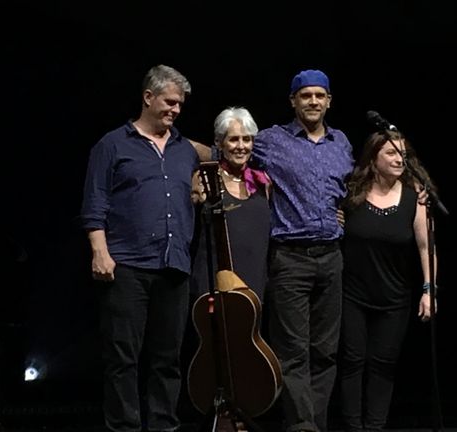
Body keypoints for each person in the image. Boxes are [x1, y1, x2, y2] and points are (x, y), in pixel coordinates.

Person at [79, 64, 199, 432]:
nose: (175, 110)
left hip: (173, 265)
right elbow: (94, 203)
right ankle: (125, 427)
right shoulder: (112, 145)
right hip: (127, 264)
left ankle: (164, 425)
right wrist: (99, 250)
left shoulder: (185, 150)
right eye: (170, 102)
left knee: (168, 360)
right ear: (148, 97)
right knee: (123, 359)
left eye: (180, 104)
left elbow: (218, 159)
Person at [251, 69, 354, 432]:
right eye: (306, 95)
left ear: (329, 101)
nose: (313, 102)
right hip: (290, 258)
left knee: (325, 352)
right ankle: (301, 426)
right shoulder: (269, 141)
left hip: (331, 257)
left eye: (319, 96)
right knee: (293, 351)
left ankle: (316, 424)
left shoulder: (341, 143)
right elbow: (227, 147)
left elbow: (354, 187)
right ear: (293, 101)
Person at [338, 129, 437, 432]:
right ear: (374, 157)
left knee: (383, 365)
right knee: (352, 362)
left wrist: (428, 290)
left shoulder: (415, 196)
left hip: (394, 298)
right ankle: (353, 427)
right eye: (391, 153)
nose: (399, 159)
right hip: (353, 294)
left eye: (402, 154)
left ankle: (375, 427)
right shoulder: (352, 192)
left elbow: (426, 247)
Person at [190, 106, 272, 301]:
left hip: (254, 281)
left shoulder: (263, 182)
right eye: (234, 139)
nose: (241, 146)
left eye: (247, 139)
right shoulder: (205, 178)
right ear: (219, 143)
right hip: (213, 282)